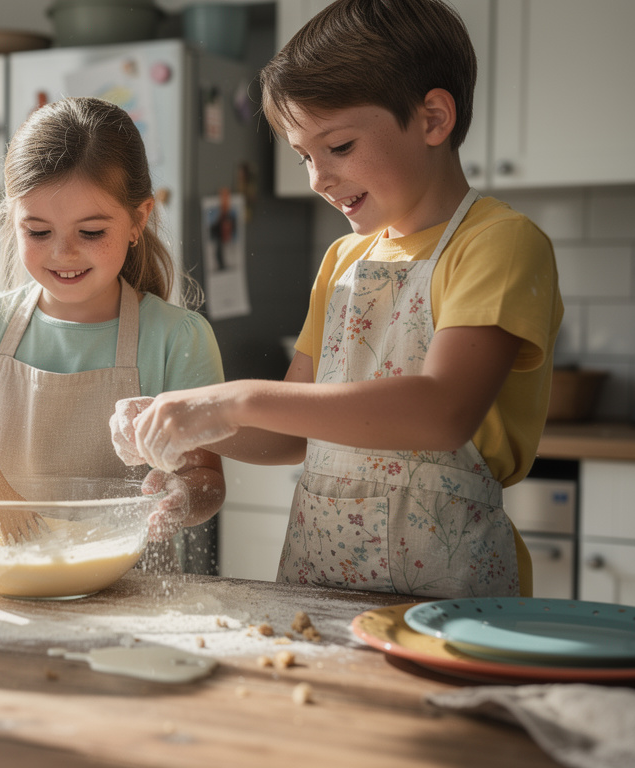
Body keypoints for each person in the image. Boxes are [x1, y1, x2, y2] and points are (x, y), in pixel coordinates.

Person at [113, 0, 562, 599]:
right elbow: (296, 430)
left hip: (453, 602)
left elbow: (441, 412)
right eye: (304, 156)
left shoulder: (498, 243)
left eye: (339, 146)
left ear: (433, 118)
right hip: (320, 591)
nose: (316, 179)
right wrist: (183, 421)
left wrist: (232, 398)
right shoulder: (344, 263)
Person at [0, 96, 226, 551]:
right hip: (5, 575)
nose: (63, 253)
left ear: (139, 219)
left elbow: (207, 480)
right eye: (38, 232)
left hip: (127, 587)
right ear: (12, 221)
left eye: (91, 231)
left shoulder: (178, 339)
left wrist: (181, 495)